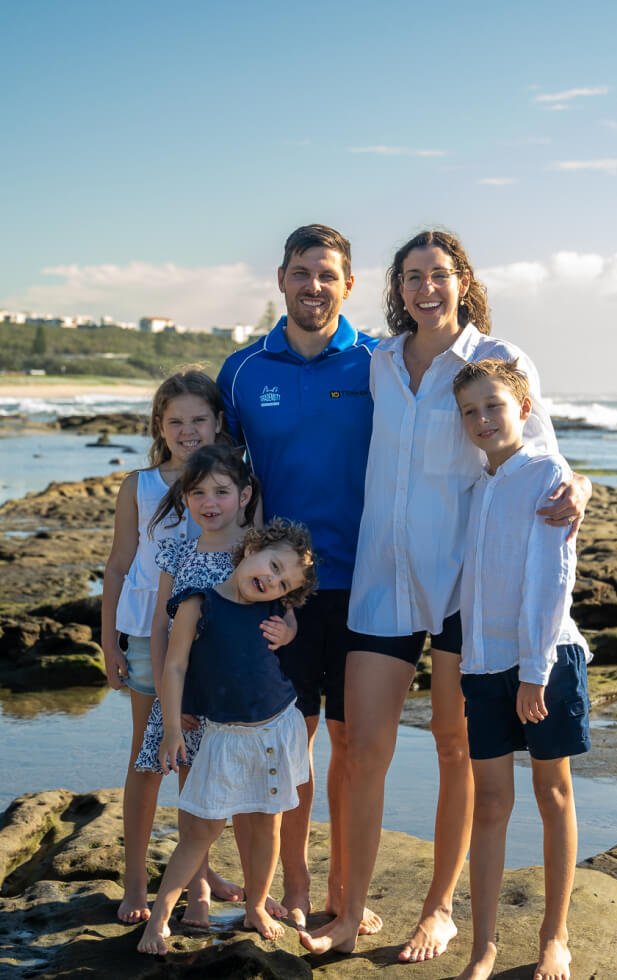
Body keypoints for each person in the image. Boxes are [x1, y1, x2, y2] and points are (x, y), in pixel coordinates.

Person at [299, 230, 590, 959]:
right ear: (395, 289)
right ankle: (348, 909)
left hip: (467, 583)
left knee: (456, 747)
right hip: (381, 577)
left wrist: (581, 487)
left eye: (437, 274)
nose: (424, 288)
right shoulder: (375, 362)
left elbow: (542, 458)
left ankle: (439, 911)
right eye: (410, 277)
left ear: (461, 280)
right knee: (362, 749)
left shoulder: (498, 360)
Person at [217, 224, 379, 929]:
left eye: (328, 274)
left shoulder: (380, 360)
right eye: (301, 272)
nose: (314, 286)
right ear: (281, 279)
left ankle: (346, 890)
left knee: (351, 744)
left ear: (348, 284)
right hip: (280, 590)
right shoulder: (243, 371)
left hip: (368, 586)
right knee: (291, 744)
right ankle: (297, 887)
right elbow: (211, 479)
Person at [452, 358, 591, 980]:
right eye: (470, 411)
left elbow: (551, 581)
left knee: (551, 791)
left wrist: (535, 670)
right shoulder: (478, 486)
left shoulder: (547, 474)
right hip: (484, 666)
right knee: (490, 803)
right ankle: (484, 946)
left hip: (545, 660)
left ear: (524, 411)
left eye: (494, 406)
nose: (482, 419)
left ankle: (554, 937)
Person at [137, 520, 318, 956]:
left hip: (276, 728)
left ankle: (256, 904)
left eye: (283, 583)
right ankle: (159, 918)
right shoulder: (198, 604)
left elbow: (290, 622)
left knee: (267, 824)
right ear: (250, 548)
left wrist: (290, 628)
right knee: (201, 829)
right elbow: (176, 665)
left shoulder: (274, 612)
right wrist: (173, 729)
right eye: (272, 565)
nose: (271, 579)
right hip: (222, 735)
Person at [101, 368, 227, 924]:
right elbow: (120, 563)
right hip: (142, 633)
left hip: (209, 640)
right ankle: (134, 884)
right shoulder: (140, 484)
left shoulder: (230, 481)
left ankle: (198, 877)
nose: (189, 429)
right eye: (176, 421)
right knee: (148, 758)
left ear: (218, 422)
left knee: (196, 762)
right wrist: (107, 640)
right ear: (160, 425)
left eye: (200, 418)